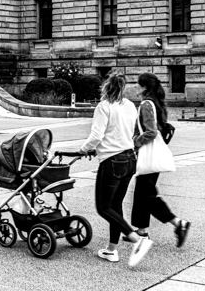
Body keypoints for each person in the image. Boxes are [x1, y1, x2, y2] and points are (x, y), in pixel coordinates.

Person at [78, 72, 153, 267]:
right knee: (116, 205)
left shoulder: (103, 107)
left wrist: (85, 149)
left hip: (112, 162)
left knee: (104, 207)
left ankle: (137, 240)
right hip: (129, 159)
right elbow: (124, 132)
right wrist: (100, 147)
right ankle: (111, 250)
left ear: (106, 87)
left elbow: (97, 134)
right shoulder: (130, 106)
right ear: (123, 87)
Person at [131, 72, 191, 247]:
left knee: (147, 195)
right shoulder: (155, 103)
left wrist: (134, 141)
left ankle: (178, 223)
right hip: (153, 155)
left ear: (145, 87)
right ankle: (141, 232)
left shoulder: (146, 105)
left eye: (137, 84)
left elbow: (151, 132)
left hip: (149, 155)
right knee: (142, 193)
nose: (135, 87)